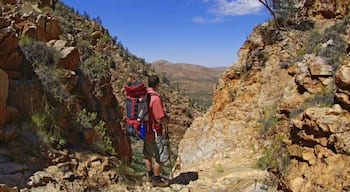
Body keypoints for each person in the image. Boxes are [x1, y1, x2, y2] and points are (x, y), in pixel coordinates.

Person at [144, 75, 169, 187]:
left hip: (145, 129)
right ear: (157, 84)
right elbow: (159, 118)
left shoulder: (144, 95)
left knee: (148, 153)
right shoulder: (155, 98)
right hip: (155, 130)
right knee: (160, 156)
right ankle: (157, 179)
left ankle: (149, 175)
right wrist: (167, 121)